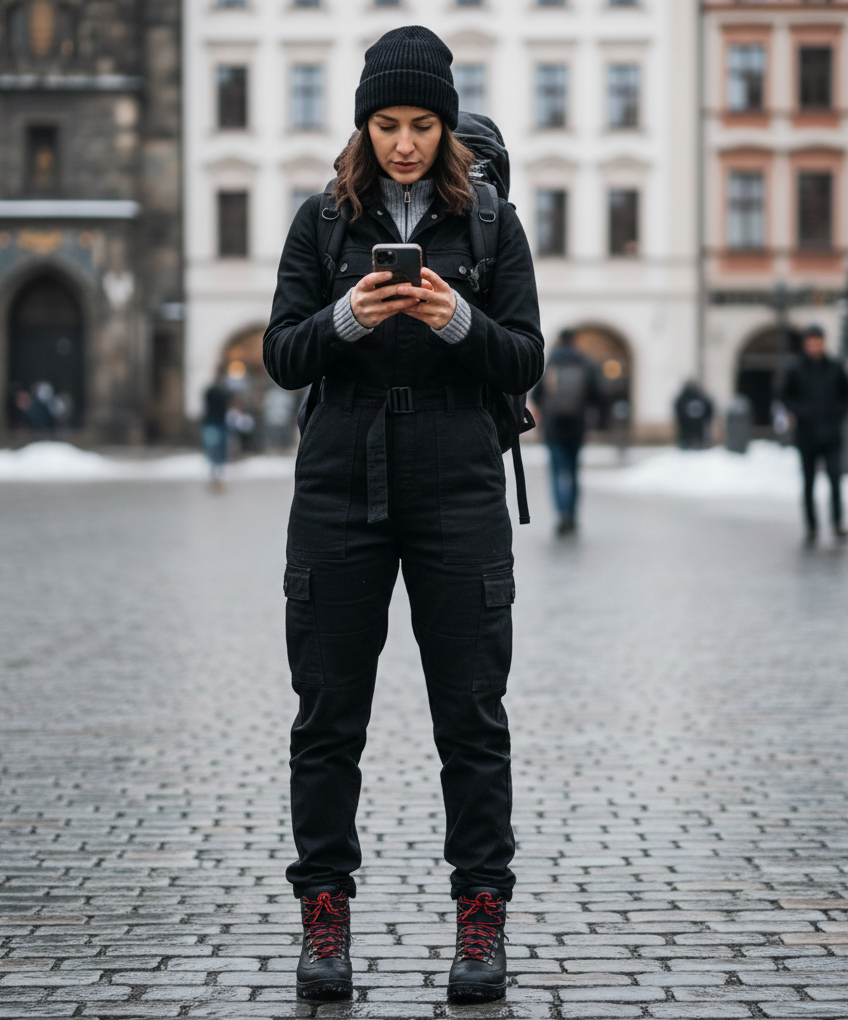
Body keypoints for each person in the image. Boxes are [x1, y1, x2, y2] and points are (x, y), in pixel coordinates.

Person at [263, 26, 544, 1006]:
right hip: (340, 487)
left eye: (424, 124)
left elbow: (524, 359)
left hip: (456, 487)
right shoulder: (323, 222)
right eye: (388, 124)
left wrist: (456, 321)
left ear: (449, 125)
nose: (407, 143)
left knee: (470, 721)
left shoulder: (493, 226)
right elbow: (283, 354)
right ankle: (325, 915)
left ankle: (480, 918)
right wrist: (353, 315)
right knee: (327, 720)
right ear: (363, 125)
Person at [781, 325, 848, 545]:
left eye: (818, 342)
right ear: (805, 344)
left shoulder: (835, 367)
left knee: (835, 479)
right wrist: (800, 412)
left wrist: (837, 414)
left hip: (831, 434)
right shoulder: (796, 369)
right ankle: (811, 526)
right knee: (808, 482)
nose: (815, 346)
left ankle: (837, 523)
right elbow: (785, 396)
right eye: (811, 343)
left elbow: (844, 395)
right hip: (806, 434)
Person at [531, 329, 601, 535]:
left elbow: (536, 395)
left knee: (557, 471)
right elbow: (596, 395)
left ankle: (561, 514)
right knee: (572, 471)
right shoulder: (584, 363)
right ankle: (572, 515)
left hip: (553, 427)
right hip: (577, 426)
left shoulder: (551, 363)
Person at [201, 371, 231, 490]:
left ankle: (216, 478)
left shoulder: (212, 391)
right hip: (215, 423)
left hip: (215, 423)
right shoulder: (221, 392)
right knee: (216, 451)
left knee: (216, 452)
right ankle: (216, 478)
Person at [674, 379, 714, 450]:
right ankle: (693, 442)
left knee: (691, 434)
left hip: (690, 424)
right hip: (694, 424)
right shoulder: (700, 397)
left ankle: (689, 442)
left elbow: (708, 408)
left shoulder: (686, 397)